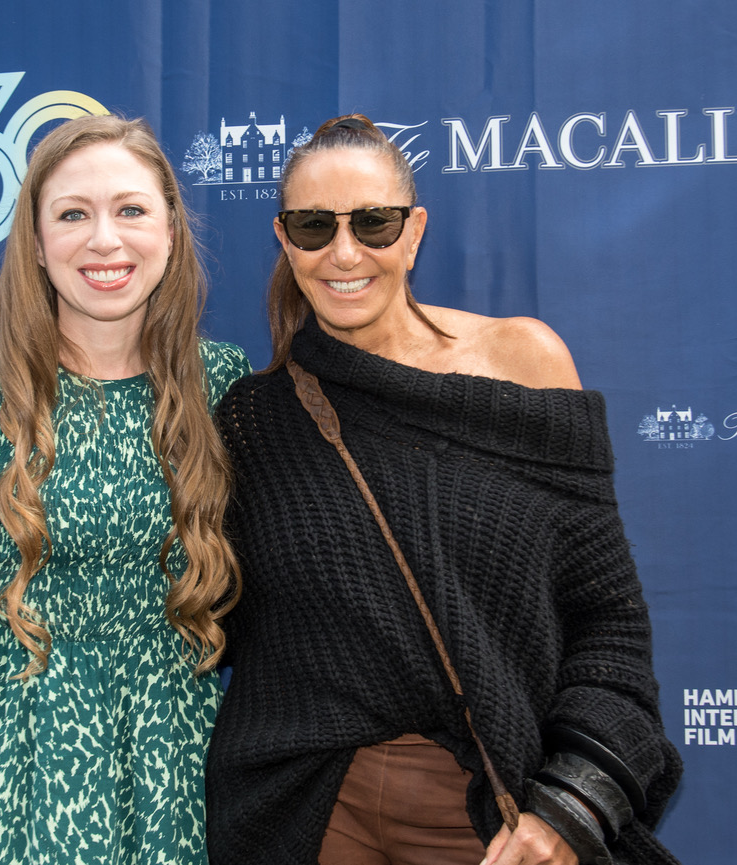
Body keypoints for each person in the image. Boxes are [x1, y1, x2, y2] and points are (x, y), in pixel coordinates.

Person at [203, 115, 682, 865]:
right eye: (313, 226)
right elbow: (209, 612)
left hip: (484, 809)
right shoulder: (255, 419)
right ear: (283, 237)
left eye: (374, 222)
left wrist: (570, 804)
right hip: (312, 810)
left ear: (415, 230)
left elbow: (608, 624)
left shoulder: (525, 359)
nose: (345, 251)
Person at [0, 114, 251, 865]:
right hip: (24, 764)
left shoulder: (227, 386)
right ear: (37, 244)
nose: (104, 240)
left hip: (186, 758)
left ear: (171, 230)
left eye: (131, 210)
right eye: (73, 214)